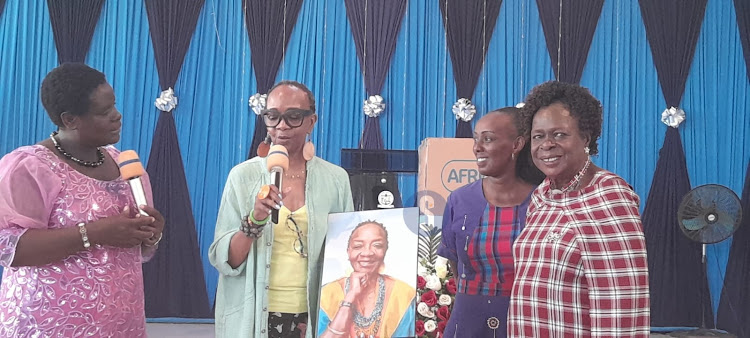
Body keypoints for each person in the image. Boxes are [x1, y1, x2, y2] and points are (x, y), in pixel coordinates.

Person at [0, 63, 165, 337]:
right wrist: (95, 233)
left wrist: (151, 234)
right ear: (70, 119)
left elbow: (137, 246)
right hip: (48, 322)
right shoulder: (30, 167)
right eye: (104, 112)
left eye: (114, 105)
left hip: (120, 319)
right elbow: (8, 247)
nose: (117, 116)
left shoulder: (124, 163)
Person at [209, 80, 354, 338]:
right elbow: (225, 260)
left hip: (313, 314)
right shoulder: (242, 176)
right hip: (254, 316)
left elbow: (345, 257)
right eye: (273, 117)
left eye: (293, 117)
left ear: (312, 121)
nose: (282, 126)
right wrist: (255, 219)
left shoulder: (336, 179)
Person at [508, 81, 650, 337]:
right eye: (538, 136)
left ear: (585, 137)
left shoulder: (609, 194)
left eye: (559, 134)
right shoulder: (542, 195)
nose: (546, 144)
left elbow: (621, 304)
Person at [436, 106, 543, 338]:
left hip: (525, 321)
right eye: (476, 139)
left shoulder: (544, 201)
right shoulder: (459, 199)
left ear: (517, 144)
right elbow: (456, 265)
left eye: (488, 139)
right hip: (467, 322)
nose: (477, 148)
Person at [318, 220, 416, 338]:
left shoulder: (403, 294)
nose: (367, 253)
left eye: (377, 246)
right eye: (358, 246)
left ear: (385, 250)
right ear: (348, 251)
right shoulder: (327, 294)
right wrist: (349, 298)